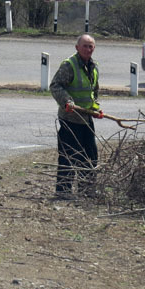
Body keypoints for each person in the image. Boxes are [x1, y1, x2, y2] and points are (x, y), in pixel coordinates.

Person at [50, 34, 103, 198]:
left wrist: (95, 109)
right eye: (85, 46)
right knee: (68, 156)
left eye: (91, 46)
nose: (88, 49)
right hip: (70, 119)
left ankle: (87, 191)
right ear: (77, 47)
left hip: (86, 120)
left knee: (90, 157)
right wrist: (67, 101)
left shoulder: (93, 67)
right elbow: (55, 86)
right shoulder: (69, 65)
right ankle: (63, 192)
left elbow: (93, 92)